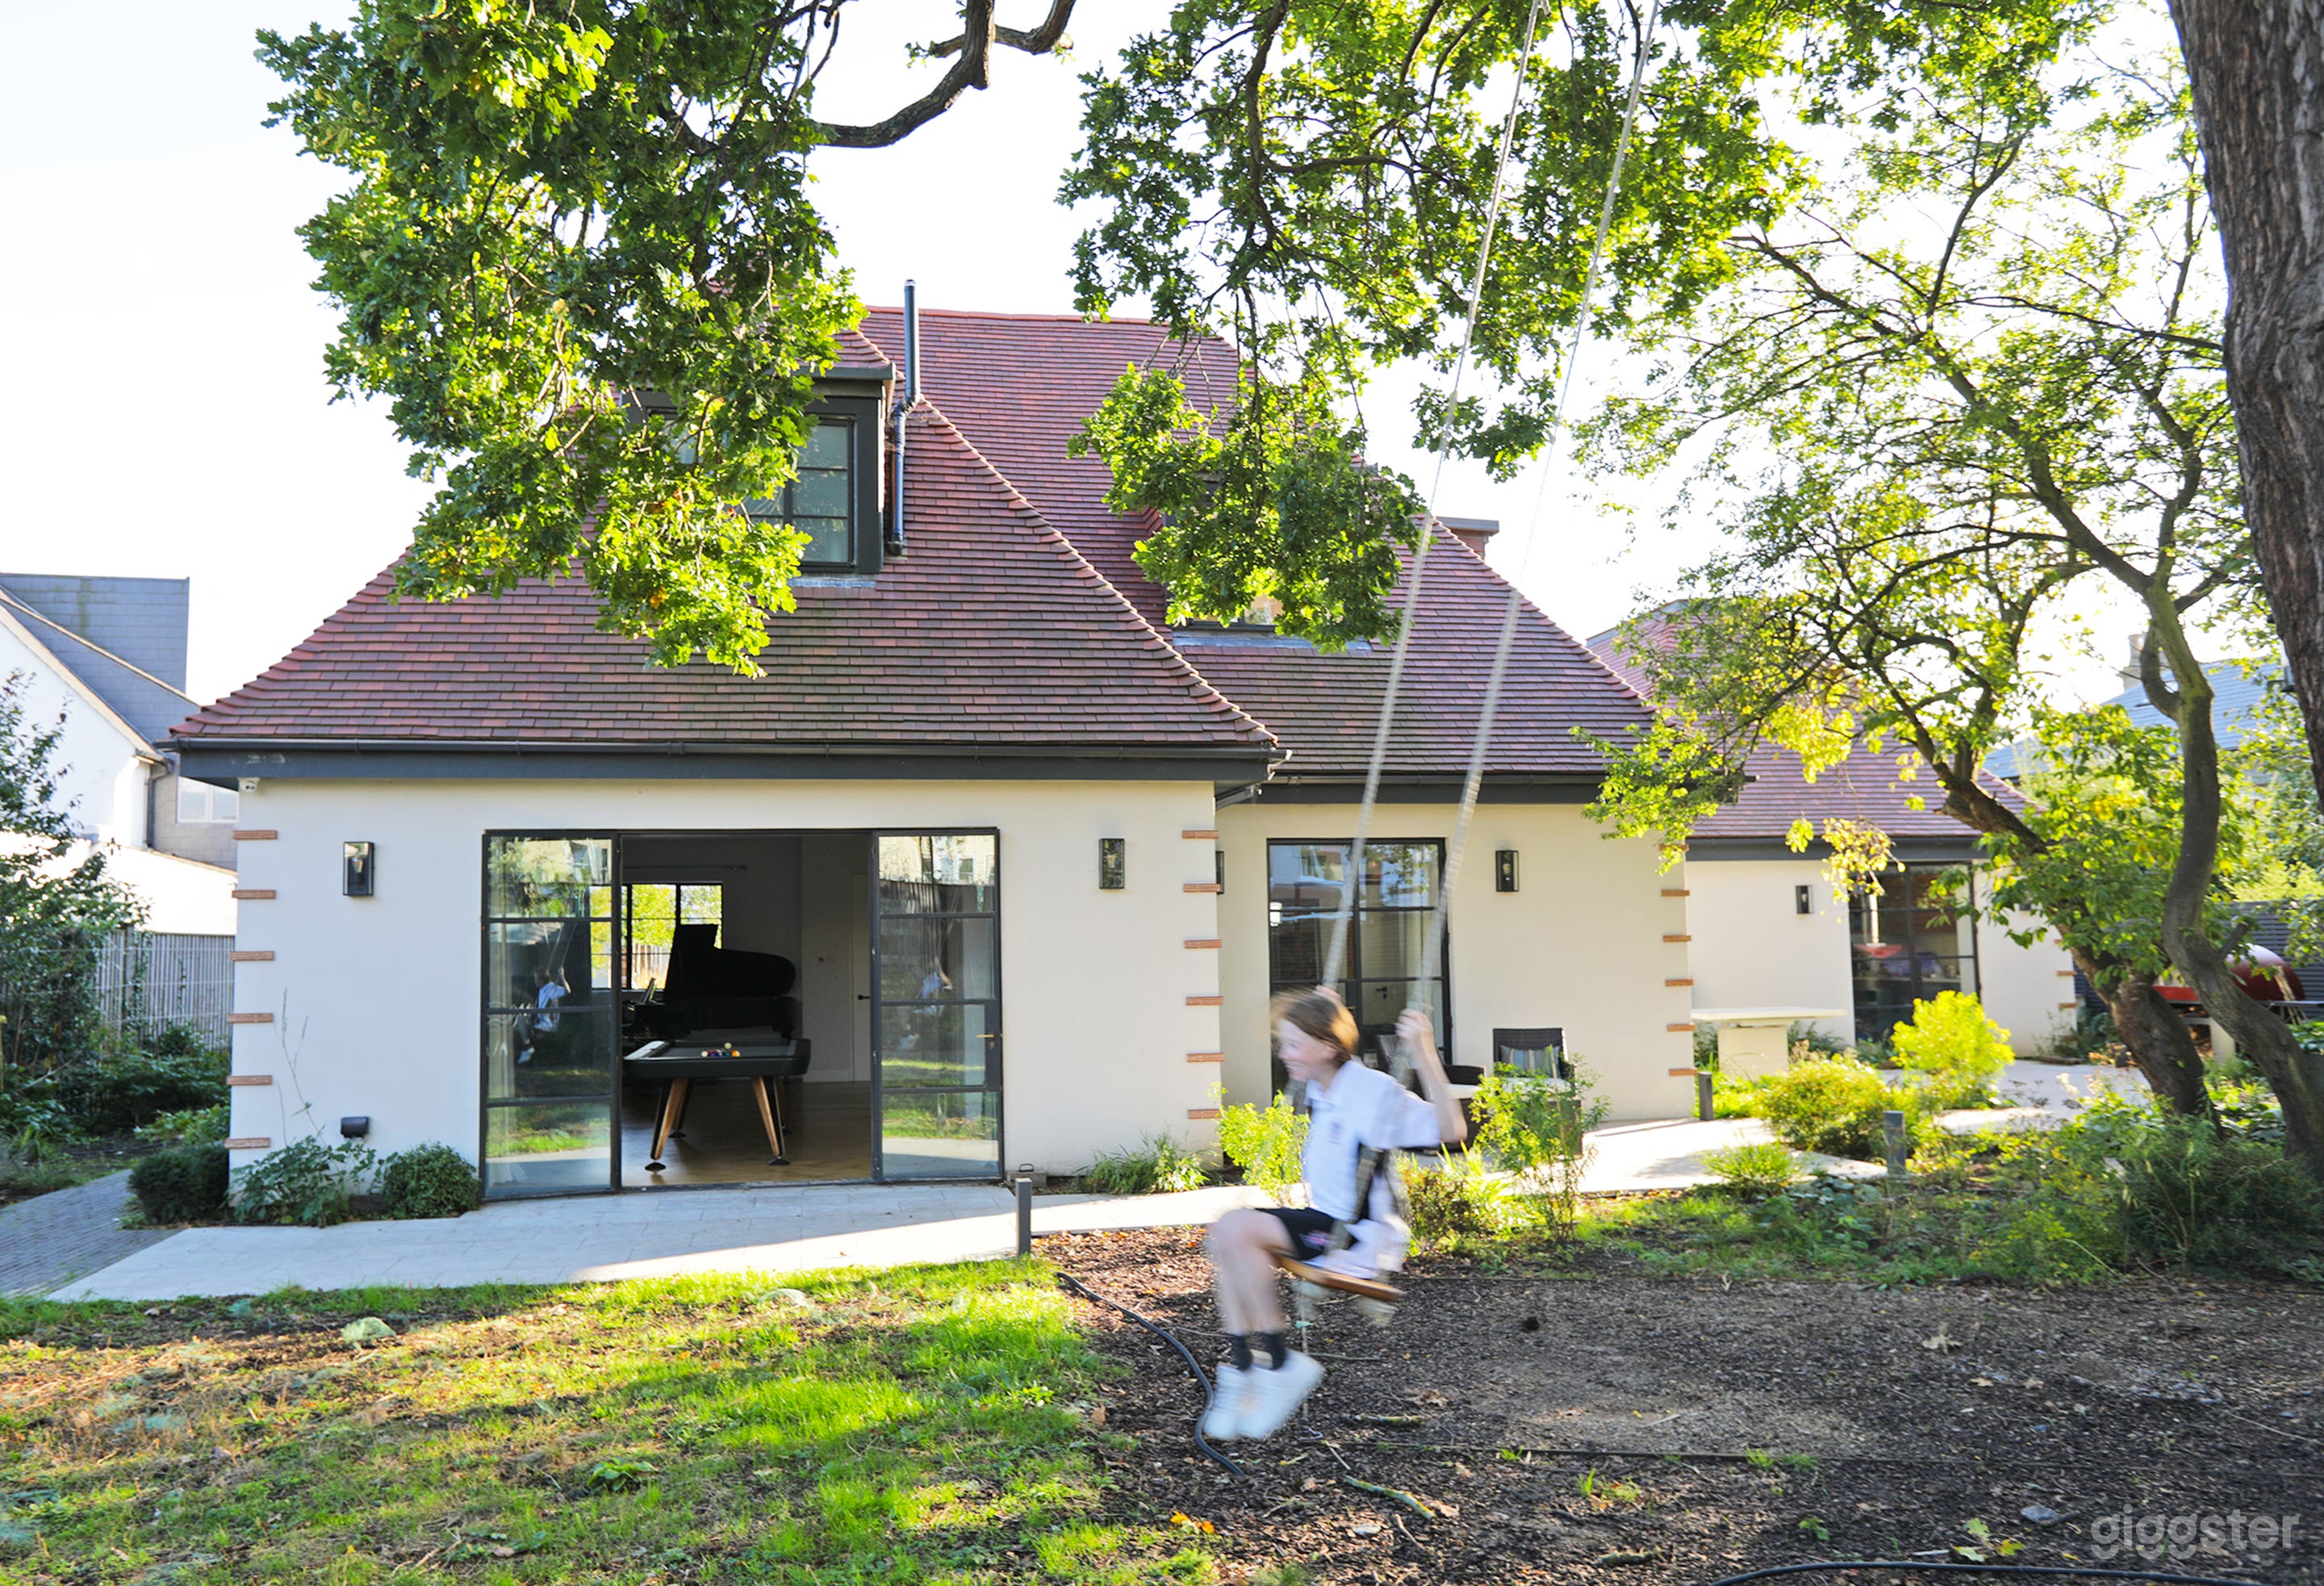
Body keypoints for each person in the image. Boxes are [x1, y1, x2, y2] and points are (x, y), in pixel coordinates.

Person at [1202, 987, 1466, 1442]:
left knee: (1236, 1228)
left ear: (1327, 1048)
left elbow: (1452, 1130)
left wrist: (1424, 1050)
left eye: (1293, 1045)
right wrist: (1330, 1010)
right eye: (1283, 1044)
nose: (1284, 1055)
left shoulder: (1373, 1092)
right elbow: (1337, 1057)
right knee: (1224, 1236)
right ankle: (1243, 1369)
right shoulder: (1326, 1086)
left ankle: (1280, 1366)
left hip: (1355, 1236)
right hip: (1324, 1221)